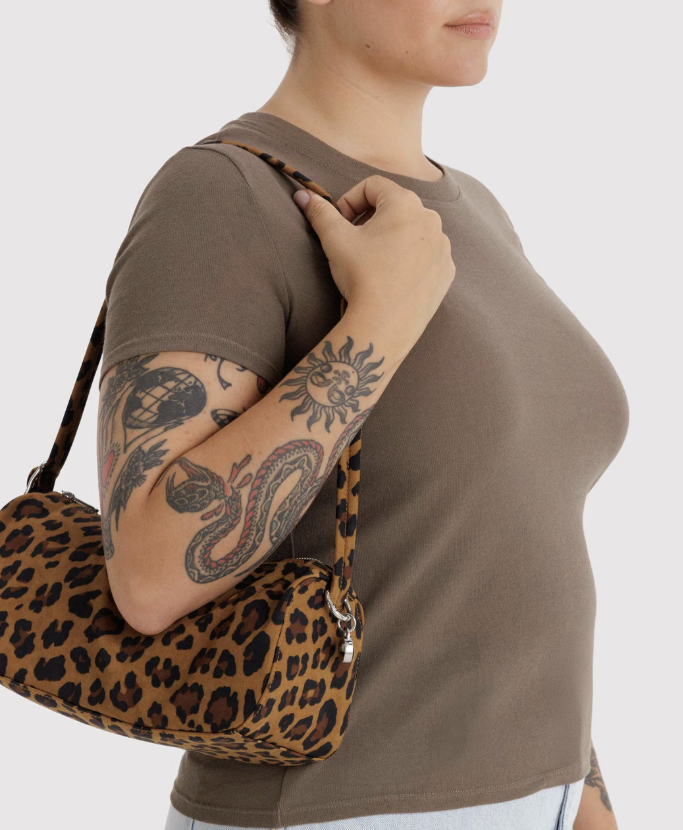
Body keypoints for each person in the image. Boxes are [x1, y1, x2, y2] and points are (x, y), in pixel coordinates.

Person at [96, 1, 627, 828]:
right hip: (338, 808)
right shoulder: (224, 194)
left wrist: (583, 794)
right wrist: (379, 322)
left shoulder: (474, 208)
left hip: (538, 797)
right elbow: (149, 576)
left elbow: (500, 545)